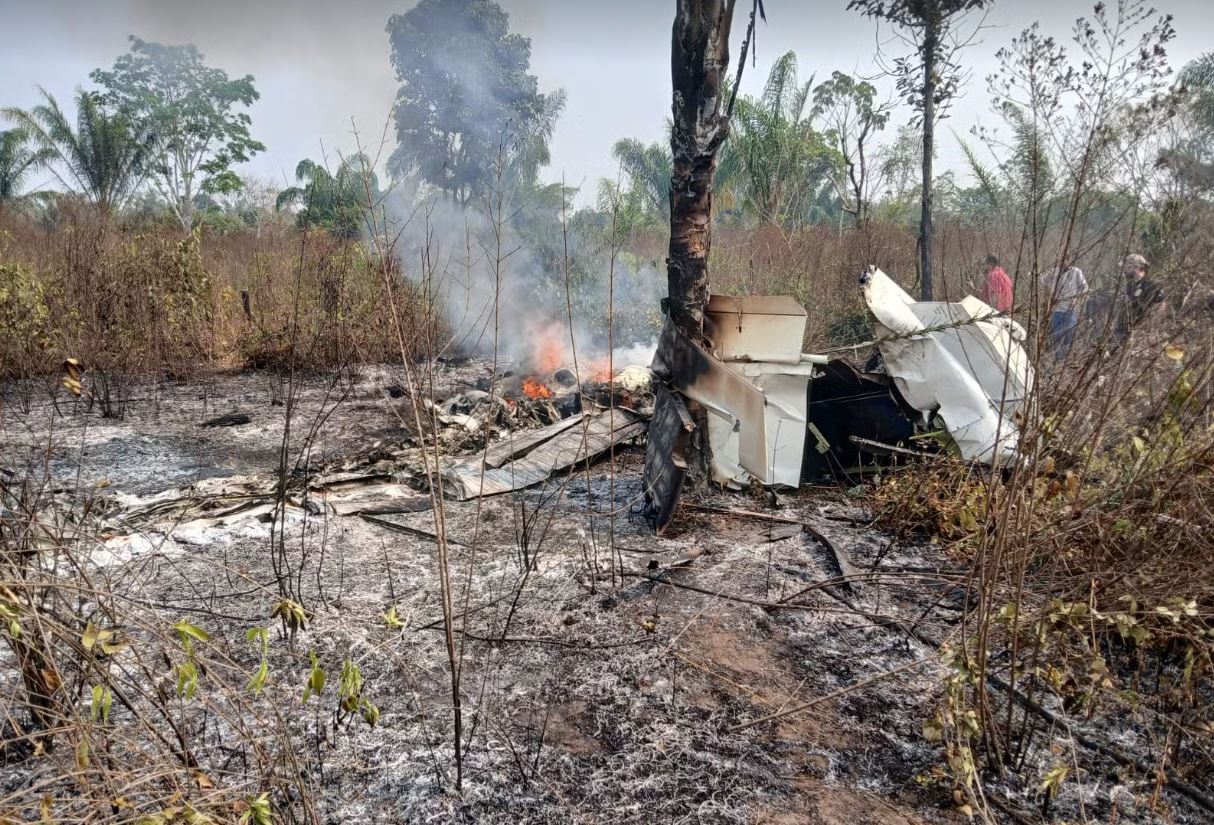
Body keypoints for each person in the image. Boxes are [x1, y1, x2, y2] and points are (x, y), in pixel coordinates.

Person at [1115, 253, 1166, 343]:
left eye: (1129, 267)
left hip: (1141, 336)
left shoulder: (1151, 286)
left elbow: (1160, 307)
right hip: (1122, 334)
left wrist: (1146, 329)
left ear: (1139, 268)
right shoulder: (1126, 287)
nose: (1125, 271)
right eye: (1126, 267)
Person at [1042, 265, 1088, 360]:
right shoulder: (1054, 271)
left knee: (1070, 332)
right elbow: (1043, 281)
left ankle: (1068, 358)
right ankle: (1059, 359)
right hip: (1056, 309)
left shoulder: (1076, 272)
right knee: (1057, 334)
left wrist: (1076, 298)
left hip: (1071, 309)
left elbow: (1085, 287)